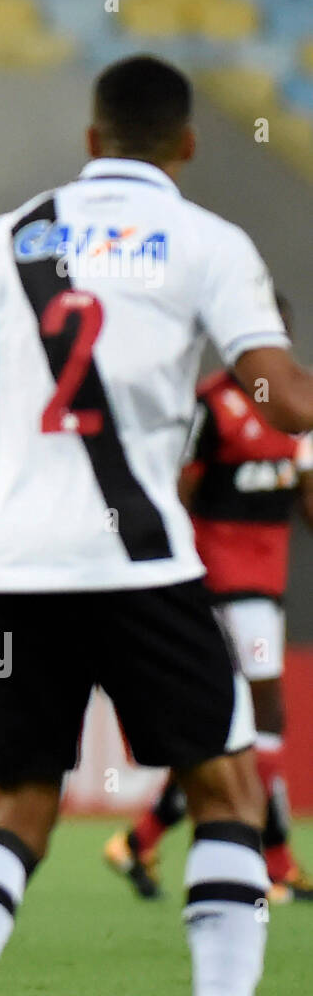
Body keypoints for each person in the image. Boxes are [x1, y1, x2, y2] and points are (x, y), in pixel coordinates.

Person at [0, 54, 313, 996]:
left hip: (11, 561)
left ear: (92, 142)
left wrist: (5, 469)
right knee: (228, 793)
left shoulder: (12, 235)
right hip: (139, 562)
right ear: (189, 145)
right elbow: (285, 403)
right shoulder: (206, 240)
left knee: (22, 806)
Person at [106, 293, 313, 904]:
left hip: (264, 584)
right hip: (222, 582)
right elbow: (181, 492)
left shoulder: (297, 407)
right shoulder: (212, 405)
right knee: (264, 717)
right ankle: (272, 860)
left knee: (238, 724)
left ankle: (142, 839)